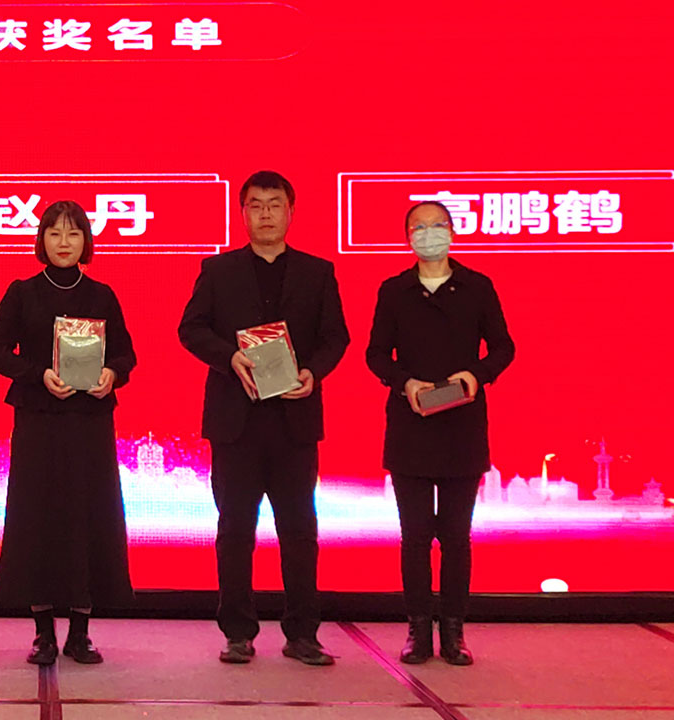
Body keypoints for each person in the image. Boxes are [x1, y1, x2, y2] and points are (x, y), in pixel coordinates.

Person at [178, 170, 349, 666]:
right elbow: (190, 329)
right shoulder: (218, 270)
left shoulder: (318, 272)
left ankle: (303, 634)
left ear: (291, 212)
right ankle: (238, 632)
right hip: (236, 422)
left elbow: (335, 337)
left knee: (300, 531)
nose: (266, 214)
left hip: (294, 421)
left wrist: (313, 372)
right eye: (256, 205)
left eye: (275, 205)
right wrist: (229, 356)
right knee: (234, 529)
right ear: (243, 213)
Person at [0, 200, 136, 666]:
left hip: (89, 424)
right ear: (42, 240)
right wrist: (38, 374)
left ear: (86, 240)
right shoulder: (22, 292)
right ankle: (43, 634)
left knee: (88, 518)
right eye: (55, 233)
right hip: (39, 421)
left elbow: (127, 355)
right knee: (38, 519)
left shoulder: (102, 294)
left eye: (73, 234)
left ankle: (81, 634)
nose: (64, 242)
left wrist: (112, 374)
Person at [366, 200, 515, 666]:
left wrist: (476, 375)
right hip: (410, 424)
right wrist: (404, 382)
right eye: (419, 227)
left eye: (437, 225)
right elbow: (375, 354)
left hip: (461, 426)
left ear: (452, 231)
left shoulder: (477, 286)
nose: (429, 233)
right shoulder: (395, 290)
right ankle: (417, 630)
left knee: (455, 536)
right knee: (414, 537)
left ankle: (453, 631)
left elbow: (504, 347)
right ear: (407, 236)